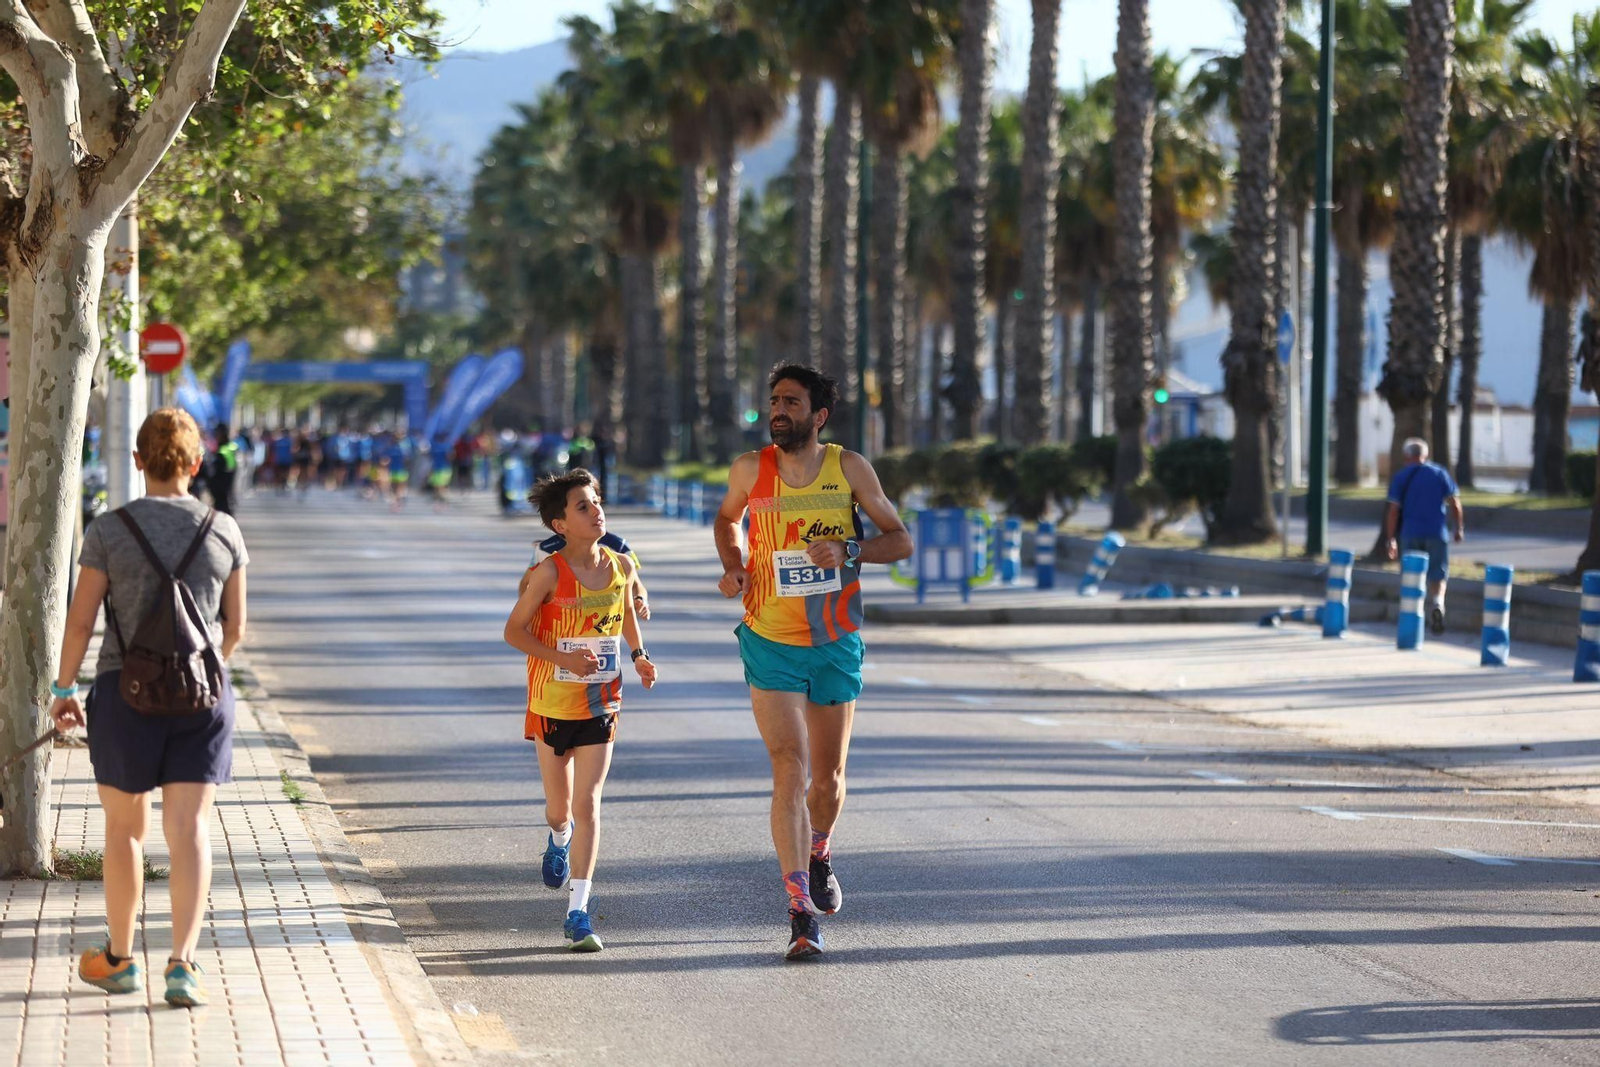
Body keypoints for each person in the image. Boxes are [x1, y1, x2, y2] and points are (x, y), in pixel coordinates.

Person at [49, 407, 249, 1008]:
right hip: (203, 699)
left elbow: (81, 621)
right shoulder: (224, 529)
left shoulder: (109, 530)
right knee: (188, 829)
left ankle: (117, 960)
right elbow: (235, 628)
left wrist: (63, 693)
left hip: (123, 693)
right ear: (195, 463)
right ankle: (183, 966)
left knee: (124, 830)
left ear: (138, 462)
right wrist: (202, 666)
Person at [713, 364, 911, 960]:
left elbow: (899, 539)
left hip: (833, 638)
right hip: (768, 636)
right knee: (789, 770)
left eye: (791, 402)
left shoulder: (848, 468)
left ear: (818, 415)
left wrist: (850, 548)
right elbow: (727, 520)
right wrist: (735, 563)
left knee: (826, 780)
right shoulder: (751, 469)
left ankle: (819, 849)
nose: (778, 411)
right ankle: (800, 911)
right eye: (774, 400)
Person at [503, 469, 656, 952]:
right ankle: (558, 836)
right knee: (560, 808)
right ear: (560, 524)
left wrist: (638, 656)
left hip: (602, 700)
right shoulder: (548, 573)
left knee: (588, 803)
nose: (596, 512)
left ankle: (578, 912)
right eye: (583, 507)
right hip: (552, 701)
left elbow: (625, 612)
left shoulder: (620, 566)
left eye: (596, 502)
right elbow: (514, 632)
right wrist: (563, 658)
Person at [1384, 436, 1465, 635]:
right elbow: (1455, 503)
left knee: (1412, 577)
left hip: (1410, 534)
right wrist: (1458, 528)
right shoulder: (1439, 473)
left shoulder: (1401, 477)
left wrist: (1391, 539)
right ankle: (1437, 604)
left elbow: (1393, 510)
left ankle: (1414, 616)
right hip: (1437, 533)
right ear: (1425, 454)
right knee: (1438, 575)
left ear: (1406, 456)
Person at [207, 424, 240, 516]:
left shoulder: (224, 449)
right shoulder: (231, 446)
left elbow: (224, 468)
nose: (216, 436)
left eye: (218, 433)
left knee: (223, 511)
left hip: (223, 487)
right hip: (226, 487)